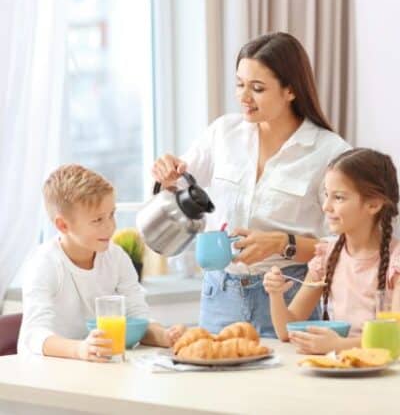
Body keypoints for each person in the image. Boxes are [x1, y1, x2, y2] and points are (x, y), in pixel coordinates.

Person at [151, 32, 350, 337]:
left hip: (287, 296)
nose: (244, 97)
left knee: (283, 385)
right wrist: (165, 175)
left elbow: (345, 246)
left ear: (290, 91)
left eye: (257, 88)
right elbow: (178, 186)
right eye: (240, 84)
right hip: (220, 294)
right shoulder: (223, 133)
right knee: (213, 379)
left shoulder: (329, 152)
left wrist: (283, 243)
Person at [18, 164, 185, 360]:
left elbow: (138, 318)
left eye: (112, 214)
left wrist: (165, 336)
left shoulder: (116, 257)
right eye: (97, 220)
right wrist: (80, 349)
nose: (110, 227)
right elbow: (34, 335)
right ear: (63, 225)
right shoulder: (44, 263)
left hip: (97, 367)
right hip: (47, 373)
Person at [264, 148, 400, 353]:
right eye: (326, 195)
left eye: (338, 197)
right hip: (339, 370)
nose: (326, 206)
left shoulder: (395, 261)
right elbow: (285, 331)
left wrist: (339, 345)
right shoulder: (327, 256)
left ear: (373, 204)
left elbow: (395, 337)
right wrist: (275, 294)